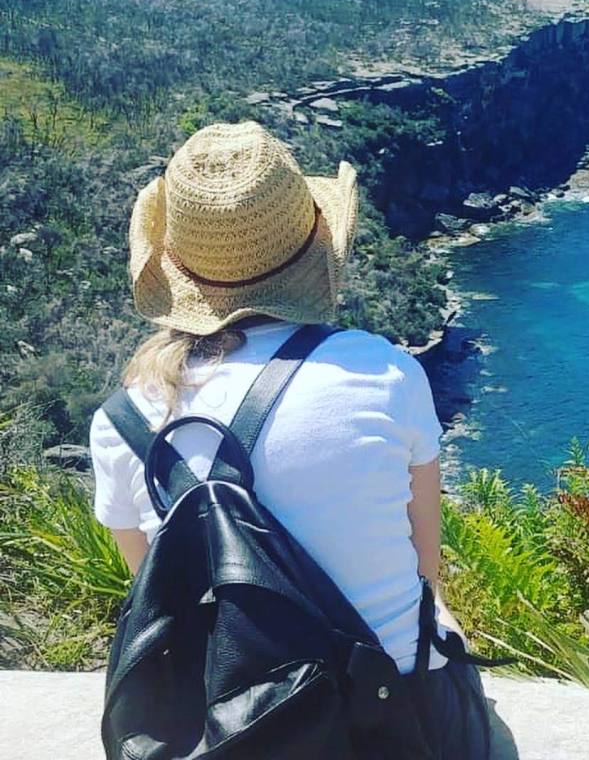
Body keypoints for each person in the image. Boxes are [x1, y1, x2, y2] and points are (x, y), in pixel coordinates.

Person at [89, 120, 491, 758]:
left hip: (236, 725)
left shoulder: (123, 421)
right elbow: (425, 571)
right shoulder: (385, 372)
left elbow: (160, 590)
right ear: (314, 249)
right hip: (395, 718)